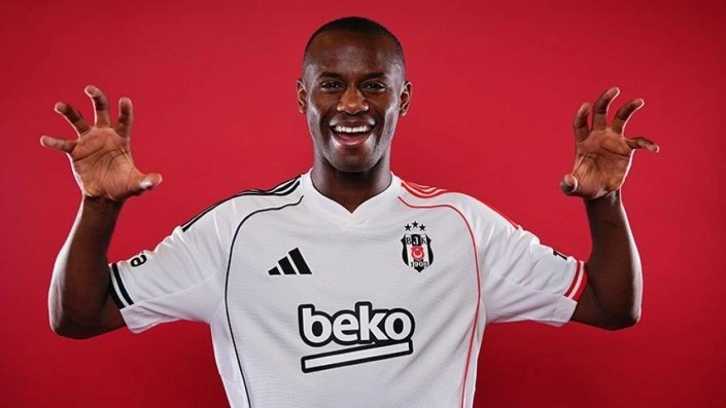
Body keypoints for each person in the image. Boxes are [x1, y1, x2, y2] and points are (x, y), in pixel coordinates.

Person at [41, 16, 659, 408]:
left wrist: (605, 201)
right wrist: (98, 206)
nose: (353, 103)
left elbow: (612, 306)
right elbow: (78, 316)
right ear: (303, 97)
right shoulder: (236, 231)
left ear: (403, 99)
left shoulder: (464, 226)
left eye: (375, 84)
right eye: (332, 83)